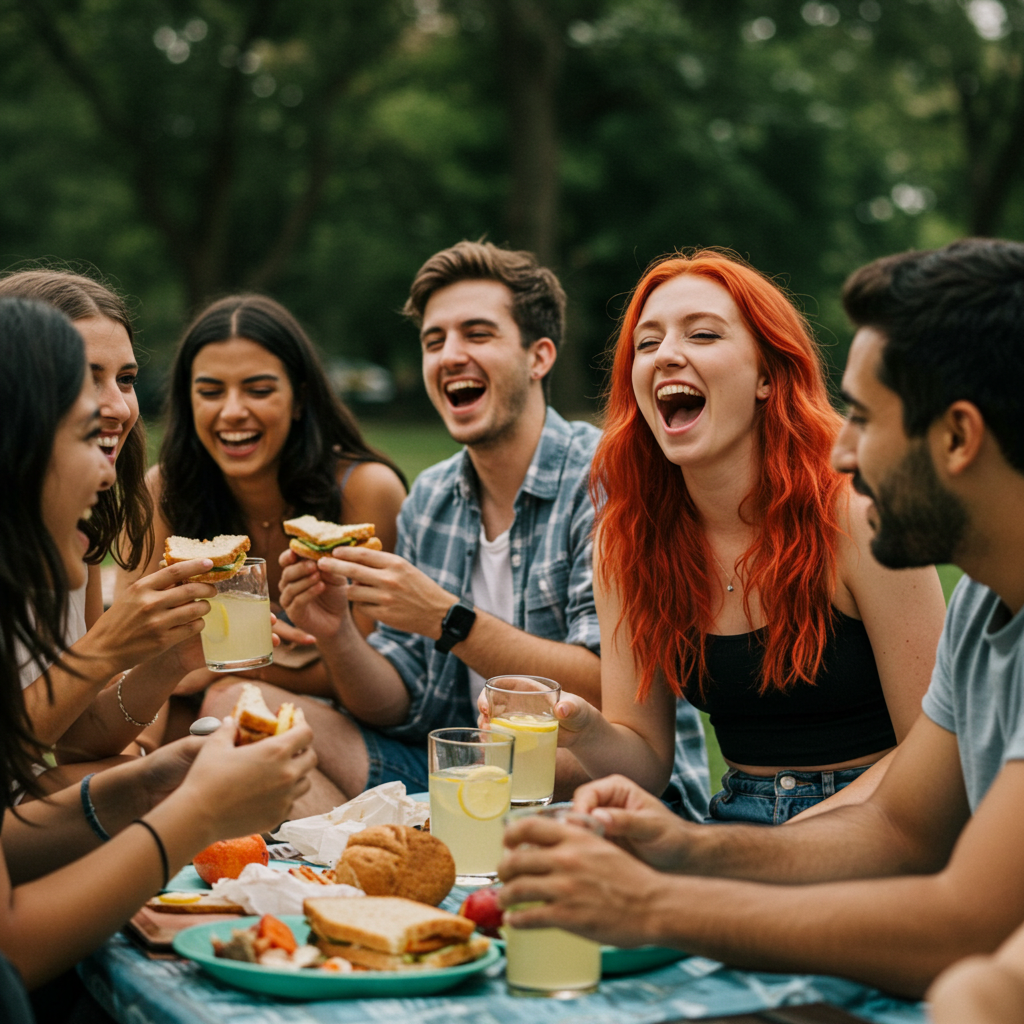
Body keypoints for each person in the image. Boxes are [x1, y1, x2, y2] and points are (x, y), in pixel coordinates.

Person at [497, 237, 1024, 997]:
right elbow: (900, 826)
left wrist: (661, 900)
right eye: (647, 343)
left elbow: (957, 916)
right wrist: (684, 848)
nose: (840, 451)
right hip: (762, 828)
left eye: (865, 418)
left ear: (958, 436)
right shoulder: (984, 599)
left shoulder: (852, 520)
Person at [207, 241, 711, 816]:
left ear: (538, 356)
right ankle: (360, 879)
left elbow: (608, 698)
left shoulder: (608, 482)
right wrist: (337, 633)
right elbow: (401, 705)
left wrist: (447, 619)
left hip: (596, 795)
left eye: (477, 334)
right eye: (434, 340)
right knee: (237, 702)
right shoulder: (432, 498)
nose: (450, 355)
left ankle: (393, 871)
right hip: (459, 777)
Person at [0, 297, 314, 1022]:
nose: (113, 460)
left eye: (127, 379)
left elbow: (65, 751)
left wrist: (146, 784)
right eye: (85, 422)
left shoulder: (63, 559)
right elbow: (10, 949)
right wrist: (196, 812)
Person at [551, 250, 944, 823]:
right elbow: (646, 762)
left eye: (703, 335)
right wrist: (582, 726)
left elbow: (936, 748)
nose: (667, 356)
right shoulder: (627, 535)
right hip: (735, 817)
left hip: (883, 815)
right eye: (647, 342)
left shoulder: (858, 511)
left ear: (766, 375)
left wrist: (781, 847)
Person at [123, 294, 408, 742]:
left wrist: (209, 671)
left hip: (340, 728)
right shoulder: (161, 492)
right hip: (192, 715)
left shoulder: (365, 491)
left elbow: (377, 674)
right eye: (211, 391)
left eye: (258, 390)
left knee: (226, 704)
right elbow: (136, 653)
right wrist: (136, 757)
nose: (233, 411)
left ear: (299, 399)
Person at [0, 270, 214, 782]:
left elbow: (79, 739)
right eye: (86, 377)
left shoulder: (81, 532)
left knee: (178, 776)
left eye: (126, 379)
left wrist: (171, 659)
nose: (119, 407)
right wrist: (105, 648)